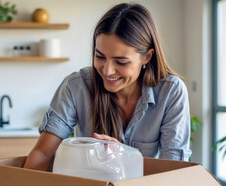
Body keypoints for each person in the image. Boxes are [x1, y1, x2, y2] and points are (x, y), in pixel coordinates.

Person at [24, 3, 191, 171]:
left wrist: (125, 157)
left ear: (147, 57)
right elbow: (43, 153)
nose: (108, 71)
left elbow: (174, 169)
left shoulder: (171, 91)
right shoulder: (76, 86)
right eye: (100, 56)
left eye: (121, 61)